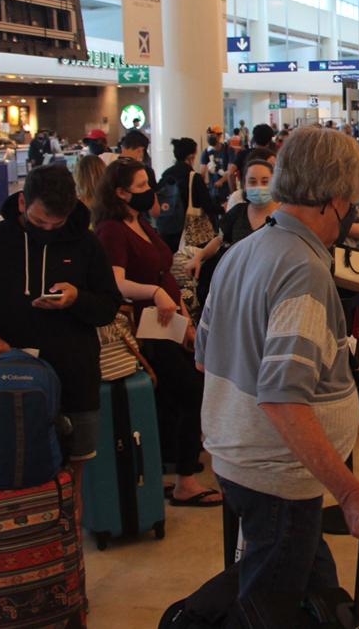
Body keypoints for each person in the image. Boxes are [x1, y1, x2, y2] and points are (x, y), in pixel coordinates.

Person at [196, 127, 359, 597]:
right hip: (276, 475)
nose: (350, 214)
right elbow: (283, 396)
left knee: (314, 592)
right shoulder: (301, 269)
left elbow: (204, 356)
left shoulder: (243, 251)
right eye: (351, 202)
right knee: (273, 604)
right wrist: (350, 493)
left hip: (241, 459)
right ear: (331, 198)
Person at [0, 164, 122, 522]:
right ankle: (15, 553)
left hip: (73, 378)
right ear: (23, 201)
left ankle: (64, 554)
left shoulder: (85, 244)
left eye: (57, 225)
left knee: (71, 478)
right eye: (40, 223)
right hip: (4, 384)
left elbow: (108, 306)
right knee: (7, 470)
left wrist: (77, 299)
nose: (49, 231)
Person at [93, 159, 220, 507]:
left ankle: (179, 467)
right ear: (120, 193)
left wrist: (184, 318)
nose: (149, 191)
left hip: (167, 324)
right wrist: (154, 293)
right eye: (140, 186)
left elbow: (163, 272)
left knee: (184, 391)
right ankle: (185, 480)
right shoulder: (112, 230)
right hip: (145, 330)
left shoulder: (141, 224)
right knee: (191, 390)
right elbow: (116, 283)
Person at [186, 159, 276, 300]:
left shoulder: (282, 217)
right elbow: (220, 240)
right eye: (252, 182)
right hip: (236, 288)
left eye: (265, 182)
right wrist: (199, 256)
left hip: (268, 289)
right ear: (244, 185)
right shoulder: (238, 212)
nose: (259, 187)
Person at [157, 137, 217, 251]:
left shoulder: (166, 174)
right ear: (191, 156)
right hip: (188, 230)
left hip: (168, 229)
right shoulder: (194, 177)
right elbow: (207, 204)